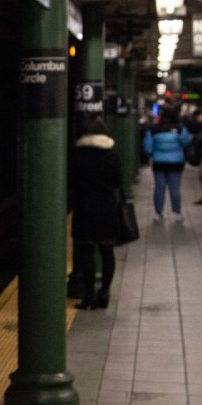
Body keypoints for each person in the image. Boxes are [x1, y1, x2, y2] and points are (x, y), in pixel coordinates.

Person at [70, 116, 122, 310]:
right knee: (107, 252)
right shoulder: (111, 155)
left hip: (85, 208)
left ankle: (89, 295)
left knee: (87, 253)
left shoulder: (77, 154)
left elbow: (71, 182)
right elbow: (117, 182)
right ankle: (105, 292)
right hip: (107, 209)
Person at [143, 109, 191, 222]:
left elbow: (148, 147)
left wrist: (153, 154)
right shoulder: (180, 129)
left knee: (159, 188)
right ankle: (177, 213)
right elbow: (186, 142)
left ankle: (158, 213)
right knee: (175, 189)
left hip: (159, 163)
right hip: (176, 163)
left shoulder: (153, 129)